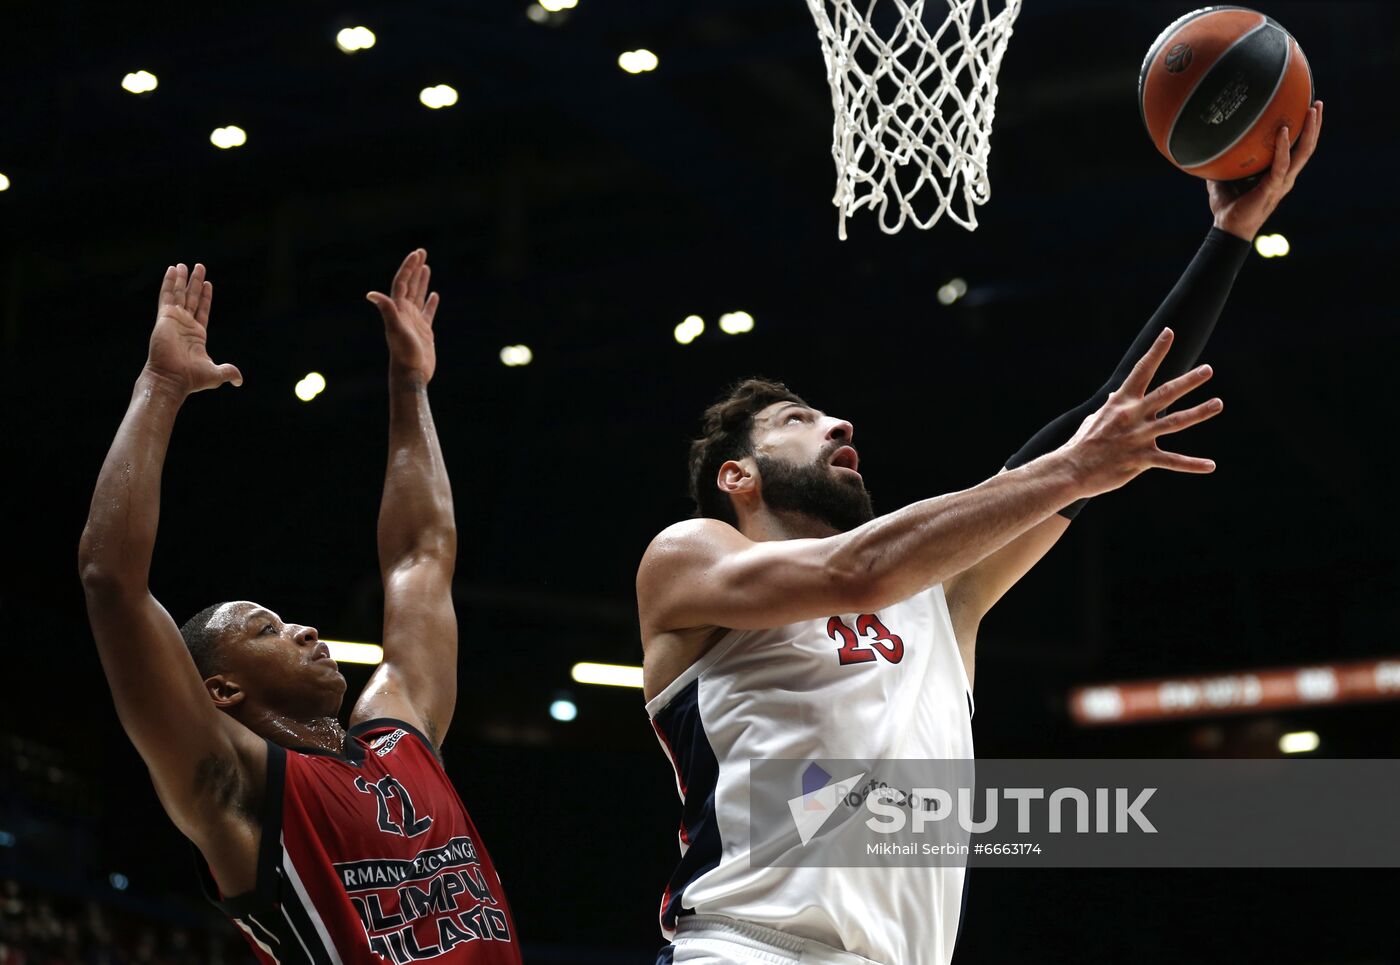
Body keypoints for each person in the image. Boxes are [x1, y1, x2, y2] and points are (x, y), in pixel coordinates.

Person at [637, 105, 1323, 965]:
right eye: (797, 419)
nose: (839, 422)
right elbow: (859, 570)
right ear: (736, 476)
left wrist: (1229, 236)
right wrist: (1074, 469)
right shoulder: (692, 556)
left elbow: (1101, 413)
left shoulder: (943, 598)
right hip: (748, 950)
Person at [78, 250, 521, 964]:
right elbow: (112, 581)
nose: (305, 628)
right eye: (267, 629)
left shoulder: (400, 739)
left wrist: (410, 386)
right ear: (221, 688)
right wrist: (161, 385)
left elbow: (420, 558)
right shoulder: (236, 789)